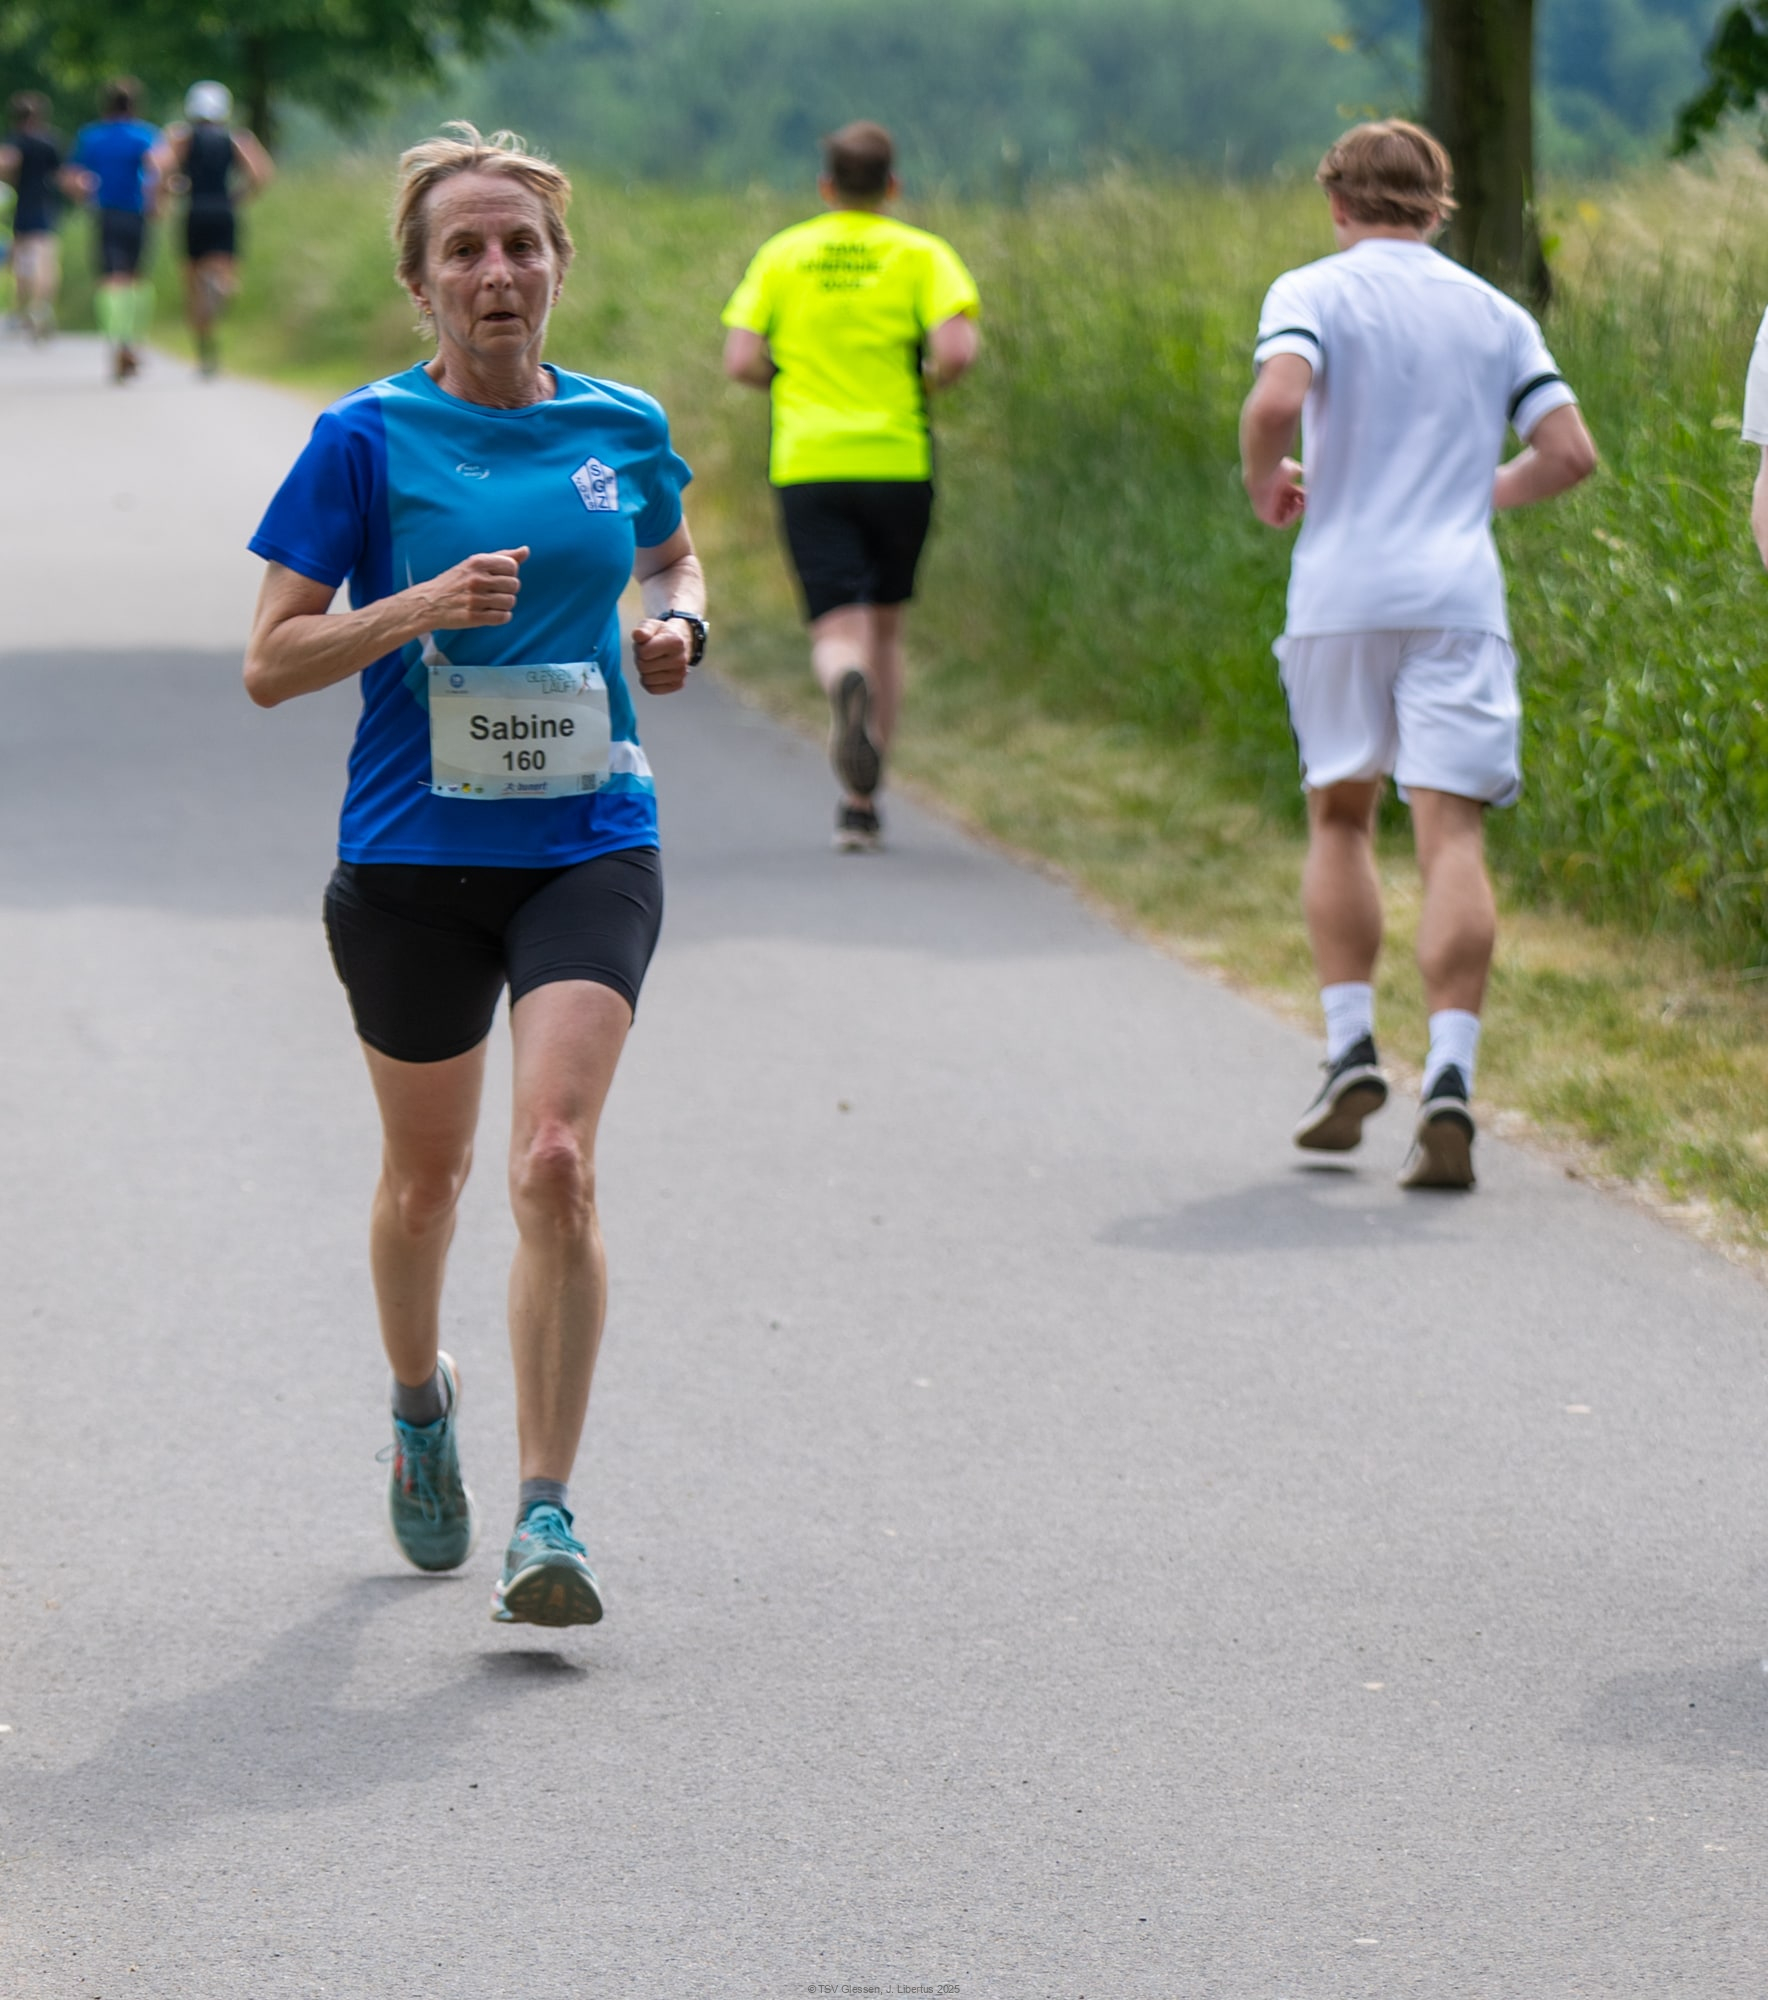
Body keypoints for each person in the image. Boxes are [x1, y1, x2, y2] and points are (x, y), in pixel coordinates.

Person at [244, 126, 707, 1627]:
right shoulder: (364, 438)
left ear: (560, 265)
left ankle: (546, 1512)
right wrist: (418, 606)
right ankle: (417, 1407)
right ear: (420, 282)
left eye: (521, 245)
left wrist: (678, 628)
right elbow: (271, 660)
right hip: (411, 860)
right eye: (464, 250)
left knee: (554, 1161)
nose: (497, 271)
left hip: (590, 839)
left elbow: (673, 555)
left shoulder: (623, 422)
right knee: (427, 1182)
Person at [1239, 120, 1596, 1189]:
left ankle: (1351, 1047)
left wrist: (1265, 481)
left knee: (1340, 814)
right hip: (1455, 597)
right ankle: (1449, 1073)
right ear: (1440, 208)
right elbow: (1568, 453)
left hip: (1342, 594)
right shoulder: (1495, 313)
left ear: (1336, 203)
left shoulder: (1312, 290)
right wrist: (1474, 495)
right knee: (1452, 836)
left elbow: (1276, 400)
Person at [722, 120, 979, 851]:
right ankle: (862, 803)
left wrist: (791, 381)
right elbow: (957, 351)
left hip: (809, 461)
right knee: (887, 626)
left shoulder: (784, 253)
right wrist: (921, 385)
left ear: (826, 186)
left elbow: (741, 359)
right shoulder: (923, 254)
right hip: (898, 459)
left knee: (838, 627)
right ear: (892, 185)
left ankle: (842, 678)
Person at [157, 81, 273, 376]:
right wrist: (240, 196)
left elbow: (163, 169)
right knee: (225, 270)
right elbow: (260, 174)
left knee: (192, 283)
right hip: (223, 210)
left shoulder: (183, 139)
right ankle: (221, 287)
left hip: (195, 210)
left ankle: (204, 351)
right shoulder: (236, 138)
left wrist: (170, 190)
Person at [68, 78, 160, 381]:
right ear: (135, 105)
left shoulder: (92, 136)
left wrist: (83, 194)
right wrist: (158, 199)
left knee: (110, 279)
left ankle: (116, 341)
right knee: (136, 278)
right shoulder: (145, 134)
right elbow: (158, 170)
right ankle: (133, 340)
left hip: (106, 214)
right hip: (137, 213)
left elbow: (75, 176)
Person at [0, 93, 63, 342]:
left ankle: (23, 309)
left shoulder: (15, 140)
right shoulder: (51, 141)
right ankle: (41, 307)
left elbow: (5, 165)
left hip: (23, 206)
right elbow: (61, 175)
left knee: (22, 260)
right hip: (45, 206)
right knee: (45, 258)